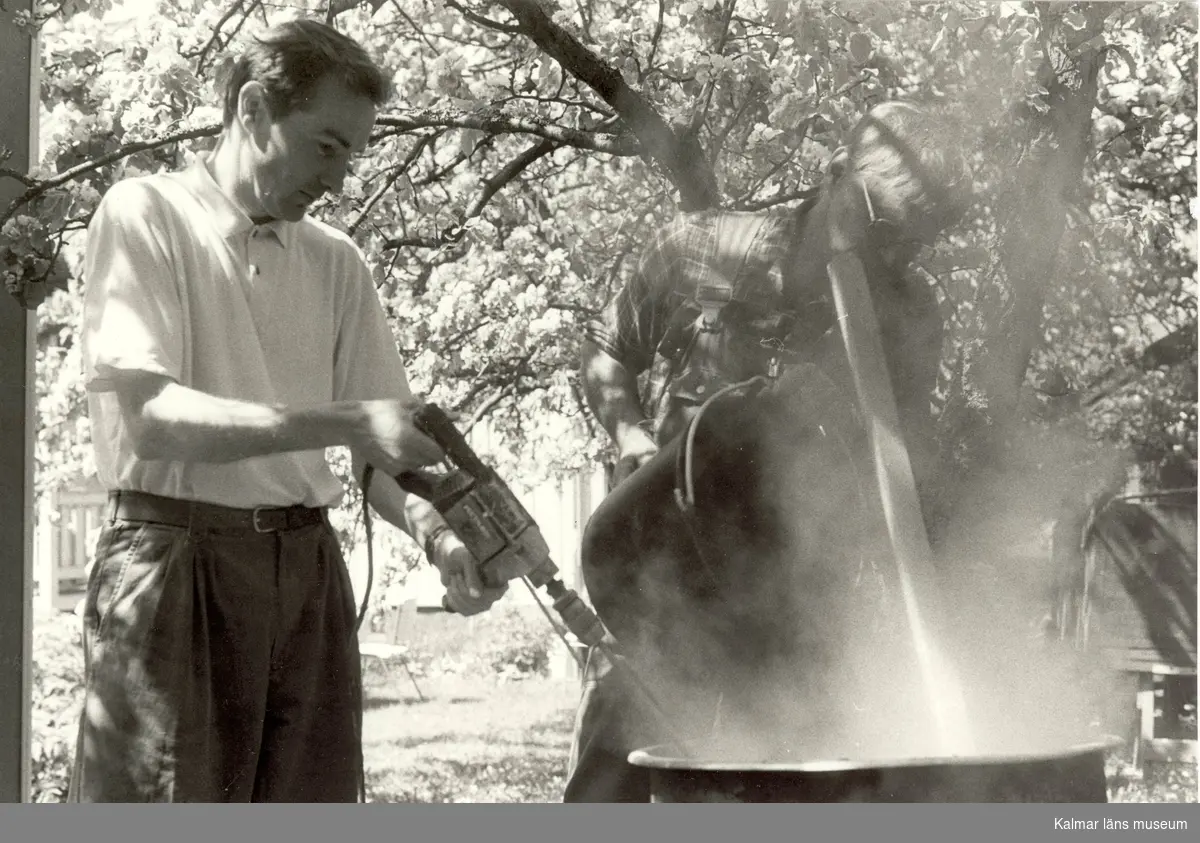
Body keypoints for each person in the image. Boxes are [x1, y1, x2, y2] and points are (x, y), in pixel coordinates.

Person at [69, 19, 506, 803]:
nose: (339, 179)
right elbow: (155, 418)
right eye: (326, 146)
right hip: (175, 560)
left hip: (306, 572)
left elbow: (382, 455)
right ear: (251, 110)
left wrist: (438, 534)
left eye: (353, 155)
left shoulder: (337, 262)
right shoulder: (145, 214)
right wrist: (340, 423)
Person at [566, 101, 974, 801]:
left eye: (919, 241)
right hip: (665, 578)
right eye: (886, 227)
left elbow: (902, 477)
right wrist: (634, 442)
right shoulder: (704, 247)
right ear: (835, 175)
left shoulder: (910, 315)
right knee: (620, 777)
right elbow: (604, 354)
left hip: (801, 614)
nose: (895, 257)